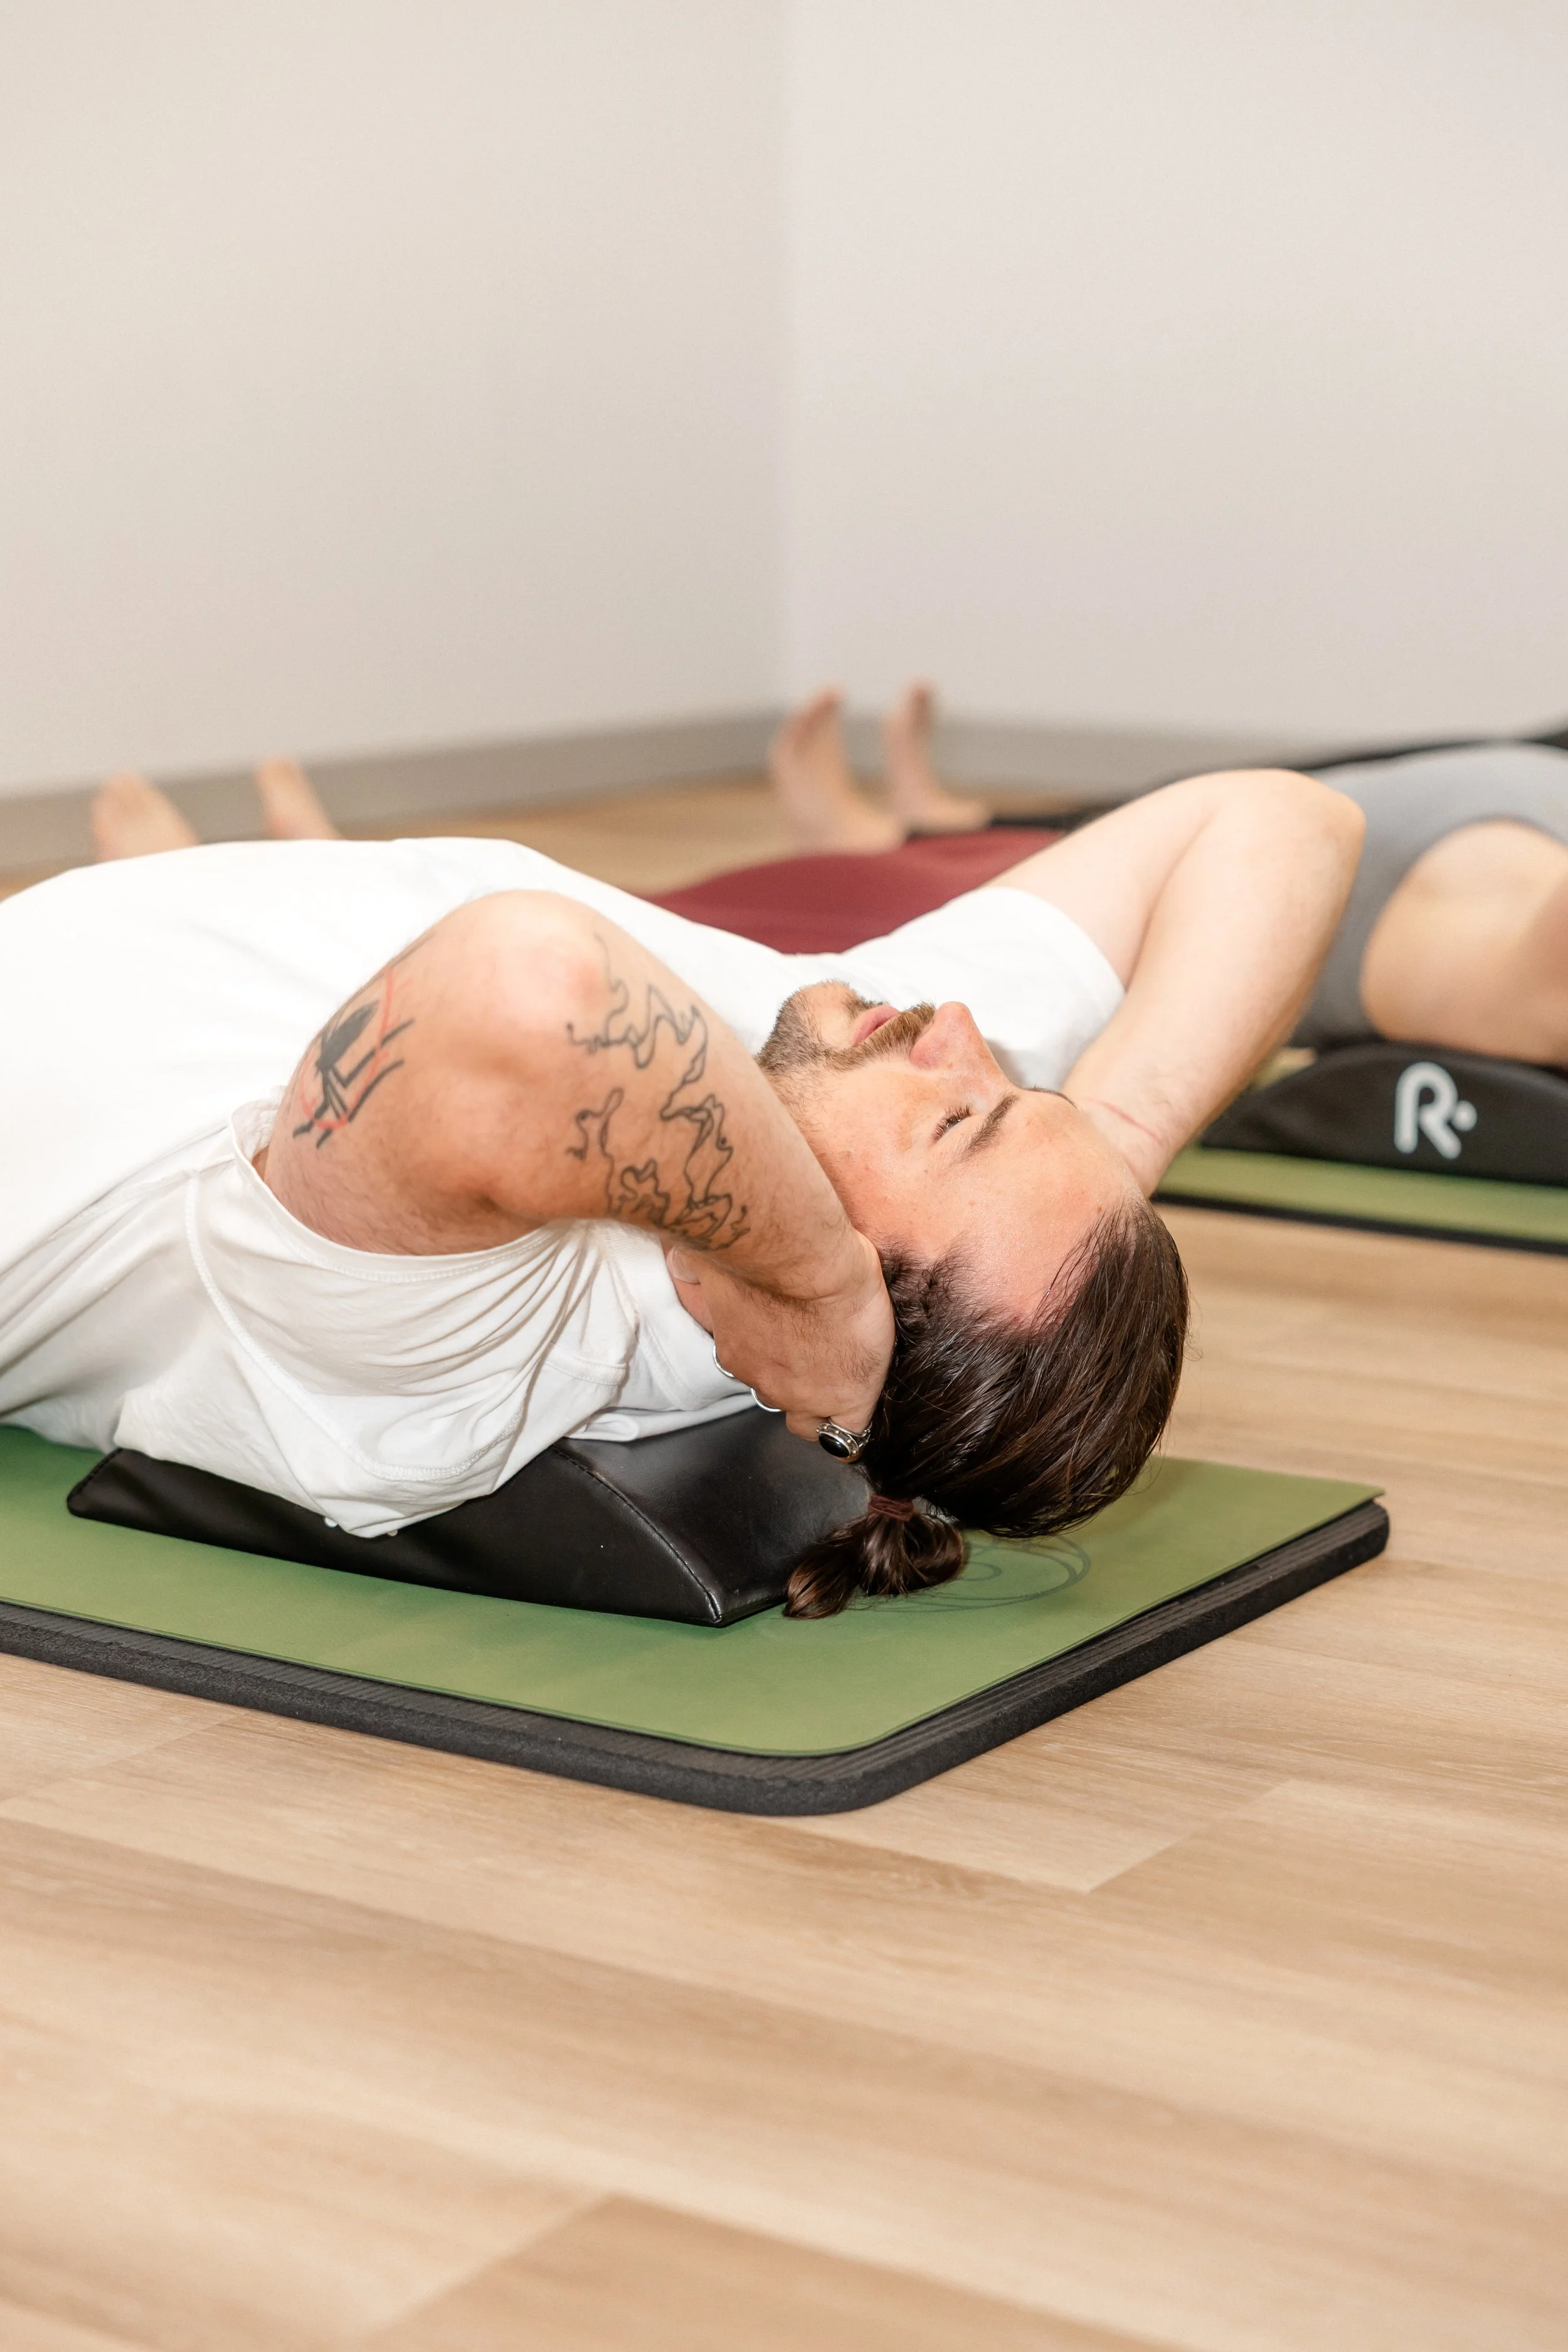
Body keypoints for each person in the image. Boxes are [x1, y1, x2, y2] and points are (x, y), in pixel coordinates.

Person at [1, 745, 1360, 1617]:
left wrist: (811, 1286)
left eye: (967, 1122)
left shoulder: (492, 1344)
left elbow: (530, 981)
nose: (955, 1030)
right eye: (1018, 1097)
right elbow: (1284, 820)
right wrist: (1111, 1135)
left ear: (856, 1310)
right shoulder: (861, 1082)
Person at [761, 686, 1568, 1068]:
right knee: (1156, 809)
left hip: (1330, 875)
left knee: (1103, 854)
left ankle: (875, 838)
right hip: (1497, 805)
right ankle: (938, 817)